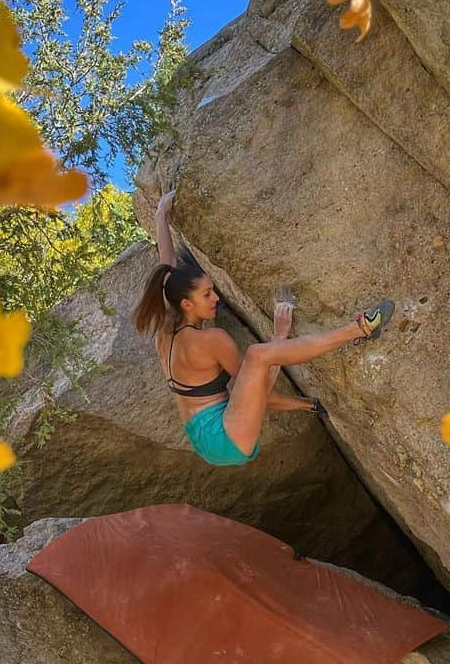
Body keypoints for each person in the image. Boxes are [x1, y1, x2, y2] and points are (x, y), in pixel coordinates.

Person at [133, 189, 394, 468]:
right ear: (186, 303)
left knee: (246, 377)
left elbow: (167, 268)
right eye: (207, 294)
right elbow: (262, 389)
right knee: (258, 356)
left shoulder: (165, 330)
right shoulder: (211, 340)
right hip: (226, 439)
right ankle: (360, 328)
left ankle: (310, 405)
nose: (216, 298)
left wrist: (162, 214)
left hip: (202, 441)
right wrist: (279, 336)